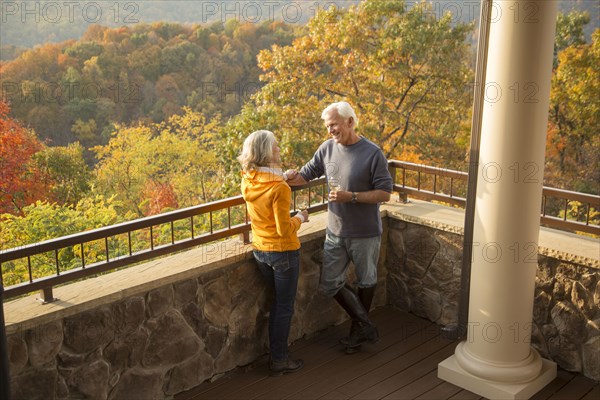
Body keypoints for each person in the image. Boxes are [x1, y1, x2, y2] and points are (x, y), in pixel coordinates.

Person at [286, 102, 393, 353]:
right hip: (335, 231)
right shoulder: (326, 149)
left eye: (333, 124)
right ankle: (366, 325)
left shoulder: (373, 153)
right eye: (327, 126)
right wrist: (283, 176)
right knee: (330, 283)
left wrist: (351, 197)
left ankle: (358, 333)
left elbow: (385, 193)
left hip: (365, 232)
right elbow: (305, 176)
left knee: (367, 281)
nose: (330, 130)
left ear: (350, 122)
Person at [238, 130, 309, 376]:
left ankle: (277, 356)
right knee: (283, 306)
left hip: (260, 250)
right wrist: (300, 217)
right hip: (283, 253)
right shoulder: (279, 188)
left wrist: (284, 177)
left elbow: (266, 189)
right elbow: (283, 229)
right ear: (267, 153)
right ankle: (279, 360)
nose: (279, 150)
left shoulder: (248, 178)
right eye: (276, 147)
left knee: (276, 302)